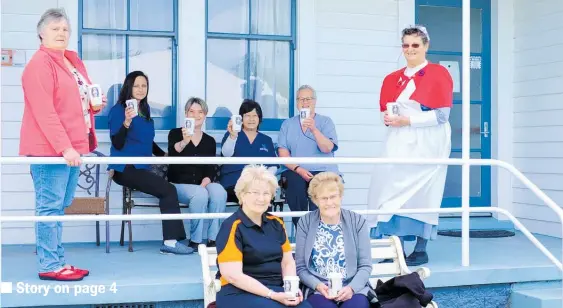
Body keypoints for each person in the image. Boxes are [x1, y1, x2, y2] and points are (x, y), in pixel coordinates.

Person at [20, 8, 106, 281]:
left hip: (72, 148)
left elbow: (76, 102)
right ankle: (49, 265)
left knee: (61, 203)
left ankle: (57, 260)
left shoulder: (69, 61)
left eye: (65, 29)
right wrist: (64, 147)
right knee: (49, 207)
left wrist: (95, 105)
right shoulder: (39, 64)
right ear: (41, 33)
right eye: (55, 28)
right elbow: (44, 111)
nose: (61, 33)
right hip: (52, 150)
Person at [367, 25, 453, 266]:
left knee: (423, 193)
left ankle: (420, 248)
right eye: (406, 45)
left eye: (415, 45)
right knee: (389, 188)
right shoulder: (392, 78)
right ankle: (396, 247)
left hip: (429, 140)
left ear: (426, 46)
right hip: (398, 139)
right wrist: (390, 119)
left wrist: (409, 120)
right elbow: (387, 110)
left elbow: (441, 116)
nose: (410, 50)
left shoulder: (438, 73)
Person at [107, 71, 192, 255]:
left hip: (141, 167)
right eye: (136, 85)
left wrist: (163, 155)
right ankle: (170, 242)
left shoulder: (145, 111)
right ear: (128, 87)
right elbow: (117, 142)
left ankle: (175, 240)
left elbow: (147, 141)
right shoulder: (118, 110)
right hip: (126, 168)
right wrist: (127, 122)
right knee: (168, 190)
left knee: (167, 190)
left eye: (144, 86)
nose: (140, 89)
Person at [215, 165, 311, 308]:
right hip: (239, 291)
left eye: (266, 193)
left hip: (275, 288)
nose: (261, 198)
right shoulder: (232, 226)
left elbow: (287, 262)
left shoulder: (277, 223)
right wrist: (272, 294)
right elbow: (232, 275)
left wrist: (291, 288)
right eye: (255, 192)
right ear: (242, 195)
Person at [296, 172, 372, 308]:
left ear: (341, 197)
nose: (329, 202)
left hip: (353, 287)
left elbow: (365, 266)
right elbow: (301, 267)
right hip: (318, 289)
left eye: (333, 197)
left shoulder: (357, 221)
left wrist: (351, 289)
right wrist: (318, 286)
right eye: (324, 198)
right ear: (315, 200)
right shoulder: (305, 222)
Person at [167, 97, 227, 251]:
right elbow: (174, 154)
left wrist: (205, 183)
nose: (196, 115)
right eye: (192, 111)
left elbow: (210, 168)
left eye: (200, 112)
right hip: (178, 185)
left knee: (219, 192)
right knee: (199, 194)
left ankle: (214, 239)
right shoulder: (175, 133)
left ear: (205, 114)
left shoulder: (210, 141)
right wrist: (185, 141)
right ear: (186, 114)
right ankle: (196, 240)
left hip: (202, 184)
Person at [277, 85, 340, 226]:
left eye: (308, 99)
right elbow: (283, 153)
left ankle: (319, 232)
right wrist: (298, 169)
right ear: (297, 103)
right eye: (300, 99)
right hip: (296, 170)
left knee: (320, 190)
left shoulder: (325, 122)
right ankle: (302, 230)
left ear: (315, 101)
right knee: (294, 185)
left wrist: (314, 129)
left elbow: (327, 148)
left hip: (323, 171)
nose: (304, 103)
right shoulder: (287, 125)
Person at [220, 99, 278, 203]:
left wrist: (264, 179)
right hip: (233, 183)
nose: (251, 119)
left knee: (260, 194)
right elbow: (226, 154)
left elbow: (273, 165)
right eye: (247, 115)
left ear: (259, 118)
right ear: (241, 118)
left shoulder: (266, 140)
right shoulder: (232, 135)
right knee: (252, 195)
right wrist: (233, 136)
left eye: (254, 115)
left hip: (259, 184)